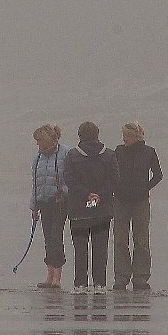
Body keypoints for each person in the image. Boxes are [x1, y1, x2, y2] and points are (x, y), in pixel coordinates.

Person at [64, 121, 119, 294]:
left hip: (79, 210)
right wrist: (99, 195)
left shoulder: (72, 155)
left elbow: (69, 179)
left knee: (80, 249)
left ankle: (80, 284)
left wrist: (86, 194)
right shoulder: (109, 155)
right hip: (102, 210)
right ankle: (100, 284)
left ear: (80, 136)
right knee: (100, 247)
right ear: (97, 135)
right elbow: (114, 179)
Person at [113, 122, 163, 291]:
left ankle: (140, 277)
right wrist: (115, 187)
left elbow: (158, 175)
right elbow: (111, 172)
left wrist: (145, 187)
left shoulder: (149, 152)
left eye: (126, 135)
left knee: (141, 240)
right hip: (120, 201)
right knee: (120, 239)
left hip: (140, 201)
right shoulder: (118, 151)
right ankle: (121, 277)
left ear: (135, 136)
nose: (123, 138)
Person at [29, 124, 70, 289]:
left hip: (60, 202)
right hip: (43, 202)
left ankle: (57, 278)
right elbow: (35, 183)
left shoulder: (66, 153)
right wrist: (34, 206)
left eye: (39, 141)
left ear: (48, 139)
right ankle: (49, 275)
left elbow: (71, 176)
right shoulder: (37, 157)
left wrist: (65, 192)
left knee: (56, 237)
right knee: (48, 238)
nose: (38, 144)